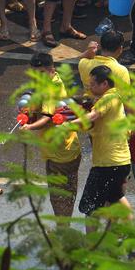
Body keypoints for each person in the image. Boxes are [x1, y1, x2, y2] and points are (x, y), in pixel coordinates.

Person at [22, 53, 83, 218]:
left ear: (52, 70)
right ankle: (63, 228)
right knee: (63, 193)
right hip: (59, 150)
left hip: (61, 153)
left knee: (60, 196)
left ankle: (63, 232)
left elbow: (46, 117)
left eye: (41, 73)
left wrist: (29, 126)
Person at [72, 66, 133, 225]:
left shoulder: (107, 99)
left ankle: (91, 246)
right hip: (120, 162)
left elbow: (93, 116)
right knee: (115, 197)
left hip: (108, 163)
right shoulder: (115, 97)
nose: (89, 88)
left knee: (90, 207)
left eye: (93, 84)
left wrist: (65, 124)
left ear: (104, 84)